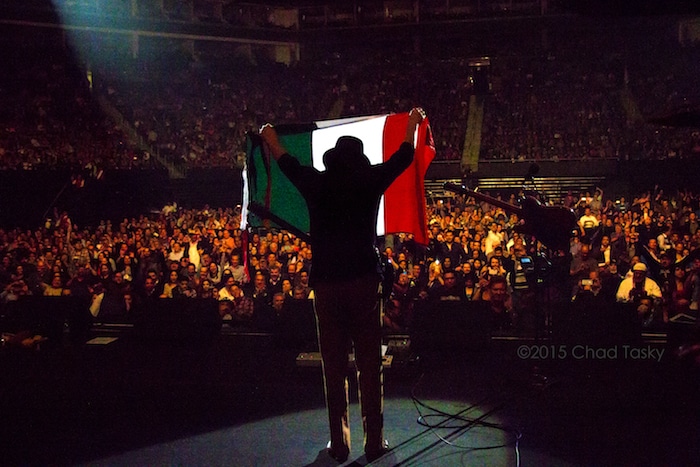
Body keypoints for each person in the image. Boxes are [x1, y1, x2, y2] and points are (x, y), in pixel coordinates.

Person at [260, 107, 426, 463]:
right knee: (370, 365)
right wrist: (412, 122)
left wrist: (269, 135)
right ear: (359, 159)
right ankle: (373, 441)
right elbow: (404, 156)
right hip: (364, 281)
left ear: (332, 159)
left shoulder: (316, 182)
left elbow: (285, 162)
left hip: (328, 284)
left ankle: (339, 443)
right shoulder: (369, 181)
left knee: (333, 367)